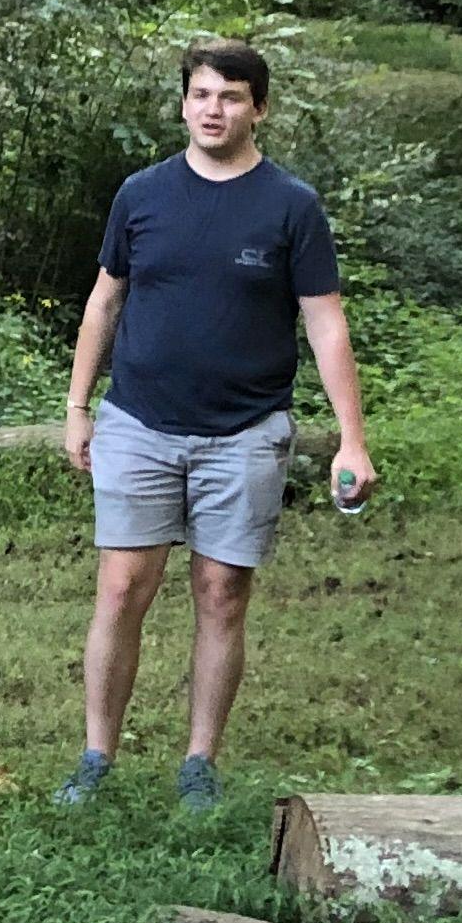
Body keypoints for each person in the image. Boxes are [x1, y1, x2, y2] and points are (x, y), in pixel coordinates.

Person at [55, 40, 373, 808]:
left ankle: (199, 761)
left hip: (247, 430)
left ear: (259, 108)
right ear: (183, 103)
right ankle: (96, 757)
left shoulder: (291, 205)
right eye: (201, 94)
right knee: (121, 589)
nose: (213, 109)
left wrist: (352, 438)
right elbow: (104, 301)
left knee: (222, 592)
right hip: (138, 421)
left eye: (231, 97)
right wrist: (77, 407)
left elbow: (325, 323)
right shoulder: (141, 194)